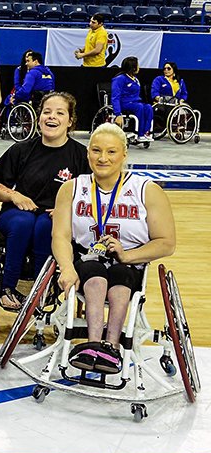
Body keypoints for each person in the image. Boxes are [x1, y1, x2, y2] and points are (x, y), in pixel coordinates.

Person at [52, 123, 176, 374]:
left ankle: (111, 346)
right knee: (95, 276)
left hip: (130, 261)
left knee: (121, 275)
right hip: (87, 259)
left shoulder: (146, 190)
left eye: (111, 152)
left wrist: (127, 255)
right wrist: (65, 267)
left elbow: (166, 242)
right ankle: (93, 343)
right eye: (96, 151)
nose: (102, 158)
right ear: (88, 154)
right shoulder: (71, 188)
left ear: (124, 155)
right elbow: (60, 235)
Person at [0, 92, 89, 311]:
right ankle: (8, 287)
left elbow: (91, 195)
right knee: (25, 223)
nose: (51, 117)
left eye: (60, 113)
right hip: (18, 214)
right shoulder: (21, 150)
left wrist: (66, 210)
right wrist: (14, 195)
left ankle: (42, 289)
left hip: (56, 218)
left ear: (70, 121)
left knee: (45, 225)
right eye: (47, 112)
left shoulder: (80, 155)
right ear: (39, 117)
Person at [111, 56, 154, 143]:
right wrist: (118, 113)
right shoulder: (120, 79)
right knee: (140, 107)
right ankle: (139, 134)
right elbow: (115, 97)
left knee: (149, 107)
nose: (139, 67)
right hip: (124, 103)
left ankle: (146, 132)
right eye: (138, 65)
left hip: (135, 102)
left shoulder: (135, 79)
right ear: (133, 67)